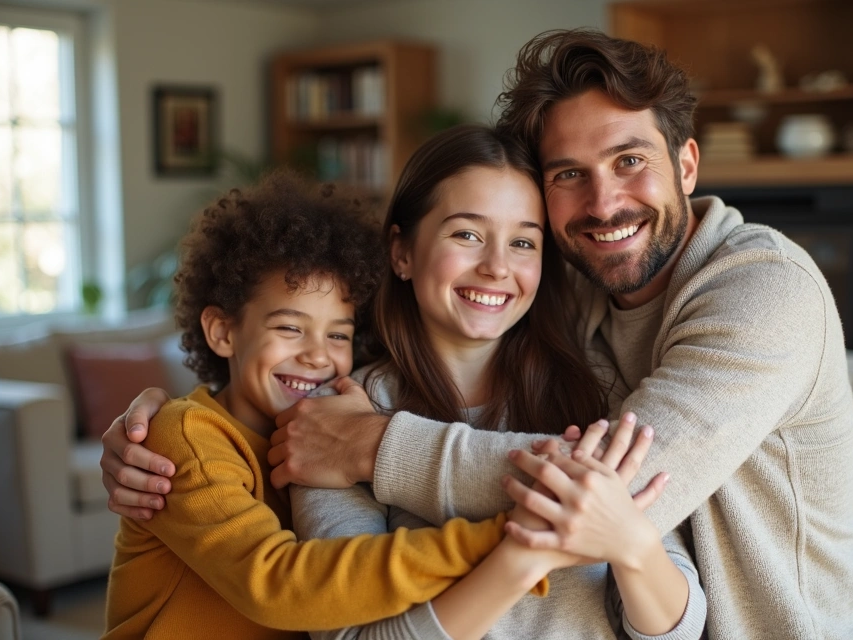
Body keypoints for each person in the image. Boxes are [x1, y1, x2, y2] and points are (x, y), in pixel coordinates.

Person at [102, 29, 853, 640]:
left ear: (687, 163)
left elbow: (630, 504)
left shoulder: (759, 293)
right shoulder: (579, 307)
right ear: (400, 251)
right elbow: (303, 347)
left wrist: (378, 448)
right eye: (569, 174)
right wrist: (159, 421)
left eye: (629, 160)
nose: (603, 203)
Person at [101, 172, 661, 639]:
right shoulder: (187, 439)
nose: (318, 357)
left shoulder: (333, 416)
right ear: (222, 332)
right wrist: (509, 535)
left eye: (338, 335)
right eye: (289, 328)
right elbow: (281, 587)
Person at [295, 124, 706, 639]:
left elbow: (680, 627)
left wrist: (633, 544)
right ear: (402, 252)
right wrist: (524, 553)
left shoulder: (594, 386)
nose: (496, 267)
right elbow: (350, 635)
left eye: (522, 242)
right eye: (466, 234)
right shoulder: (337, 419)